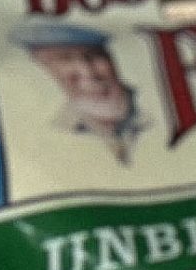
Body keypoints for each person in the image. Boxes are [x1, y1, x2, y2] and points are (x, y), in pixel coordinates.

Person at [9, 19, 142, 163]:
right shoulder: (50, 133)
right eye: (65, 59)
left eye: (94, 56)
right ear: (46, 70)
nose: (89, 73)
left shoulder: (152, 108)